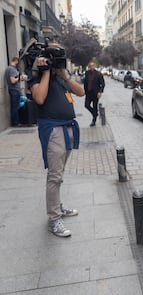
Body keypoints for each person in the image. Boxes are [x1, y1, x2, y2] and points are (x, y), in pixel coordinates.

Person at [29, 42, 85, 237]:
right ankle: (54, 219)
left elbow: (80, 92)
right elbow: (39, 99)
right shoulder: (35, 76)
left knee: (58, 173)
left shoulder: (62, 77)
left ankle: (58, 207)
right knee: (55, 175)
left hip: (68, 127)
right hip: (52, 129)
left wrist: (64, 74)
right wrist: (45, 72)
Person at [83, 61, 105, 127]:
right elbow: (85, 82)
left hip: (95, 93)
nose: (91, 67)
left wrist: (100, 92)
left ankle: (94, 121)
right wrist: (84, 90)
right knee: (86, 105)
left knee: (95, 106)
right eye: (90, 66)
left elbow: (103, 84)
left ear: (95, 66)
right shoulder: (87, 73)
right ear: (89, 67)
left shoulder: (98, 74)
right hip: (88, 93)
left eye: (93, 65)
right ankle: (95, 114)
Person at [5, 56, 23, 126]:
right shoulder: (11, 69)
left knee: (15, 106)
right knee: (15, 107)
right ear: (16, 61)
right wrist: (20, 78)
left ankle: (16, 122)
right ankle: (16, 122)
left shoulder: (9, 69)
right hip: (14, 90)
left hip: (13, 90)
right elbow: (13, 81)